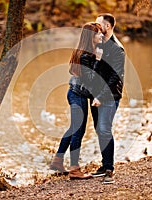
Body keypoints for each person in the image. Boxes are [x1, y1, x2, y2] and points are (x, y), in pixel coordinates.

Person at [49, 22, 104, 179]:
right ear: (90, 37)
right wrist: (98, 60)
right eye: (98, 33)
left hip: (77, 93)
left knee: (74, 128)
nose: (101, 35)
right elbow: (92, 80)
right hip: (76, 95)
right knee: (78, 131)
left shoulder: (86, 52)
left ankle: (57, 161)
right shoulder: (86, 55)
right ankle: (74, 170)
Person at [89, 13, 125, 184]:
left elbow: (114, 78)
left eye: (99, 24)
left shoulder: (117, 49)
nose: (96, 26)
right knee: (99, 130)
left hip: (109, 96)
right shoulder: (100, 44)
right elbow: (96, 69)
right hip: (95, 95)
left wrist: (100, 96)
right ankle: (104, 165)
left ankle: (109, 170)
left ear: (108, 26)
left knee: (104, 129)